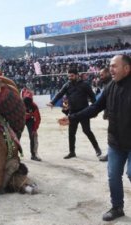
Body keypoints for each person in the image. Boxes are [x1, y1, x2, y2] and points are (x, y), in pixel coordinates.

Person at [58, 55, 131, 221]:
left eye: (114, 66)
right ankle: (117, 207)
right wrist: (72, 118)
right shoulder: (110, 87)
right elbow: (95, 107)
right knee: (113, 176)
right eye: (110, 66)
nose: (110, 69)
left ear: (126, 68)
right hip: (116, 143)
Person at [47, 68, 102, 159]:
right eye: (68, 76)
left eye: (72, 76)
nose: (70, 78)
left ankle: (97, 149)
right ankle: (72, 152)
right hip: (72, 112)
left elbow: (92, 97)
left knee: (87, 131)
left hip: (84, 111)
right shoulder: (67, 85)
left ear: (77, 75)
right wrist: (52, 102)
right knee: (71, 133)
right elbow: (60, 94)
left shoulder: (85, 85)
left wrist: (94, 110)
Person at [21, 87, 41, 161]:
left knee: (33, 136)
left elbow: (38, 118)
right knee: (16, 136)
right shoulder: (19, 104)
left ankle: (34, 154)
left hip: (30, 120)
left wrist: (35, 129)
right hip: (21, 119)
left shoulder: (34, 106)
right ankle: (14, 155)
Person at [98, 67, 112, 162]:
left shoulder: (112, 84)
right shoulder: (107, 84)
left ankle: (111, 155)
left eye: (102, 75)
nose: (100, 77)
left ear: (108, 74)